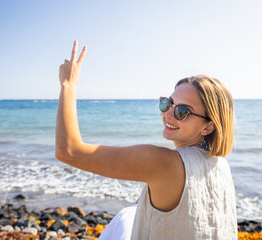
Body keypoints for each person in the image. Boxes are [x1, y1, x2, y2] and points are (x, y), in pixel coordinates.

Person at [55, 40, 237, 240]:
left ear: (208, 126)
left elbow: (69, 151)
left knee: (124, 217)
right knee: (132, 212)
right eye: (168, 103)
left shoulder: (163, 163)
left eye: (182, 111)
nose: (168, 114)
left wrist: (68, 84)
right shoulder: (221, 165)